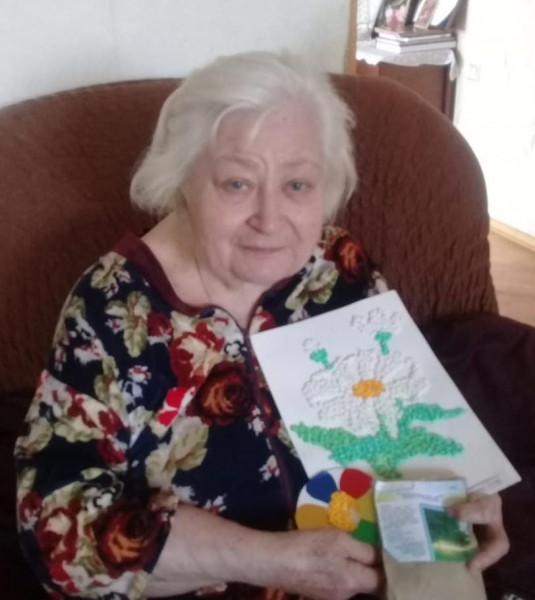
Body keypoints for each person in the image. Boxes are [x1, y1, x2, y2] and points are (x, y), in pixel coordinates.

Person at [14, 51, 509, 600]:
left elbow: (397, 425)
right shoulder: (114, 308)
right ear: (182, 182)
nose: (270, 220)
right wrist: (274, 560)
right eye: (237, 183)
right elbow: (54, 529)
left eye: (297, 185)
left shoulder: (336, 268)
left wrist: (458, 508)